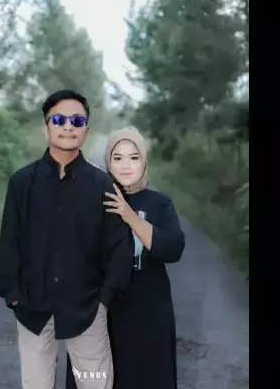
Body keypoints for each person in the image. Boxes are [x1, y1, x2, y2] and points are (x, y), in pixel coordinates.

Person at [0, 90, 134, 389]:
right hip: (32, 306)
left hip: (87, 308)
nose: (68, 126)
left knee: (95, 384)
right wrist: (12, 293)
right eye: (59, 120)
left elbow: (118, 246)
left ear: (86, 130)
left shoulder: (103, 184)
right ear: (46, 128)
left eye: (77, 121)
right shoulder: (22, 182)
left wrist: (105, 298)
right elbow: (10, 241)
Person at [65, 126, 186, 389]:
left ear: (144, 162)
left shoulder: (159, 203)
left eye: (134, 157)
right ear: (108, 162)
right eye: (118, 158)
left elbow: (173, 249)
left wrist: (128, 215)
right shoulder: (96, 198)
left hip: (149, 313)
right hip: (103, 311)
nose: (126, 165)